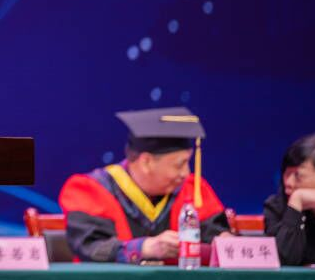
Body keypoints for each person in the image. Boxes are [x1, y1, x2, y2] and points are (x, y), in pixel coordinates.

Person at [58, 107, 229, 263]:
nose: (186, 173)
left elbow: (214, 234)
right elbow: (91, 247)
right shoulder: (90, 190)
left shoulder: (192, 189)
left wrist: (224, 241)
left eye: (188, 162)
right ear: (146, 162)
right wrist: (143, 248)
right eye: (179, 165)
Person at [263, 133, 315, 266]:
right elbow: (283, 262)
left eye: (297, 175)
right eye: (286, 173)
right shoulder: (276, 207)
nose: (288, 182)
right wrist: (296, 203)